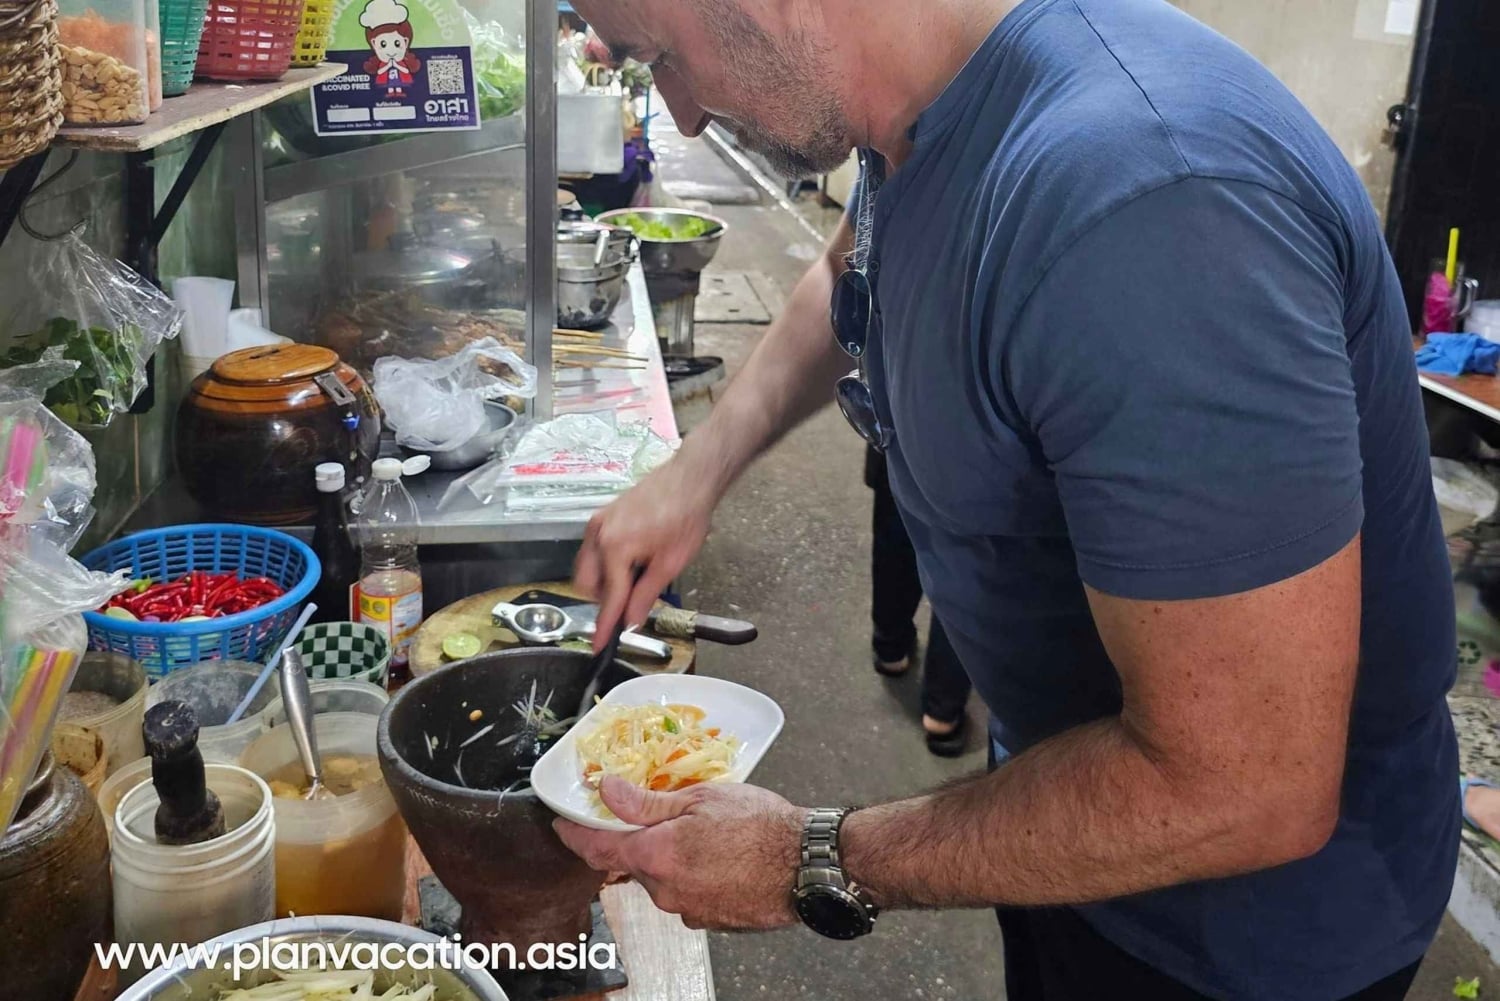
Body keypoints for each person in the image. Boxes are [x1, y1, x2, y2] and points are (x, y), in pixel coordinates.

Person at [559, 1, 1460, 999]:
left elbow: (1246, 788)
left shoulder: (1148, 205)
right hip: (1058, 811)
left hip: (1240, 938)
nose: (681, 117)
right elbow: (850, 266)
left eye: (665, 58)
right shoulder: (913, 104)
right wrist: (699, 468)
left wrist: (809, 855)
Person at [867, 444, 973, 756]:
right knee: (968, 557)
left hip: (900, 415)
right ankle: (942, 709)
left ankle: (890, 648)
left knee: (897, 512)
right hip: (989, 443)